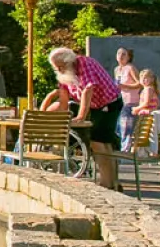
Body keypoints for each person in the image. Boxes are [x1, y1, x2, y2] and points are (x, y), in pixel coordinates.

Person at [41, 47, 123, 190]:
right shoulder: (64, 73)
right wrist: (59, 115)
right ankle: (112, 184)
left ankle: (108, 184)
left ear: (69, 61)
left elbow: (88, 89)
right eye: (56, 68)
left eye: (61, 67)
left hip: (109, 103)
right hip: (96, 106)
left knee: (99, 142)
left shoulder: (84, 63)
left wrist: (81, 116)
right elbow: (64, 97)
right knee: (104, 143)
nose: (59, 70)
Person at [132, 69, 160, 155]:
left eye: (145, 78)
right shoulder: (149, 89)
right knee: (144, 135)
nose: (143, 80)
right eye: (142, 78)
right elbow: (158, 103)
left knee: (147, 135)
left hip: (149, 116)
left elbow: (146, 102)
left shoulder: (148, 89)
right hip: (146, 114)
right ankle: (145, 153)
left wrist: (137, 108)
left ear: (151, 79)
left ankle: (151, 153)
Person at [113, 48, 142, 149]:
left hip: (130, 101)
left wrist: (125, 86)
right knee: (118, 127)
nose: (121, 56)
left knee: (126, 127)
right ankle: (122, 148)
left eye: (124, 54)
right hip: (120, 101)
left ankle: (125, 151)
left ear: (129, 57)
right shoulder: (116, 69)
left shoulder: (130, 68)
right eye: (119, 53)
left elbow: (140, 83)